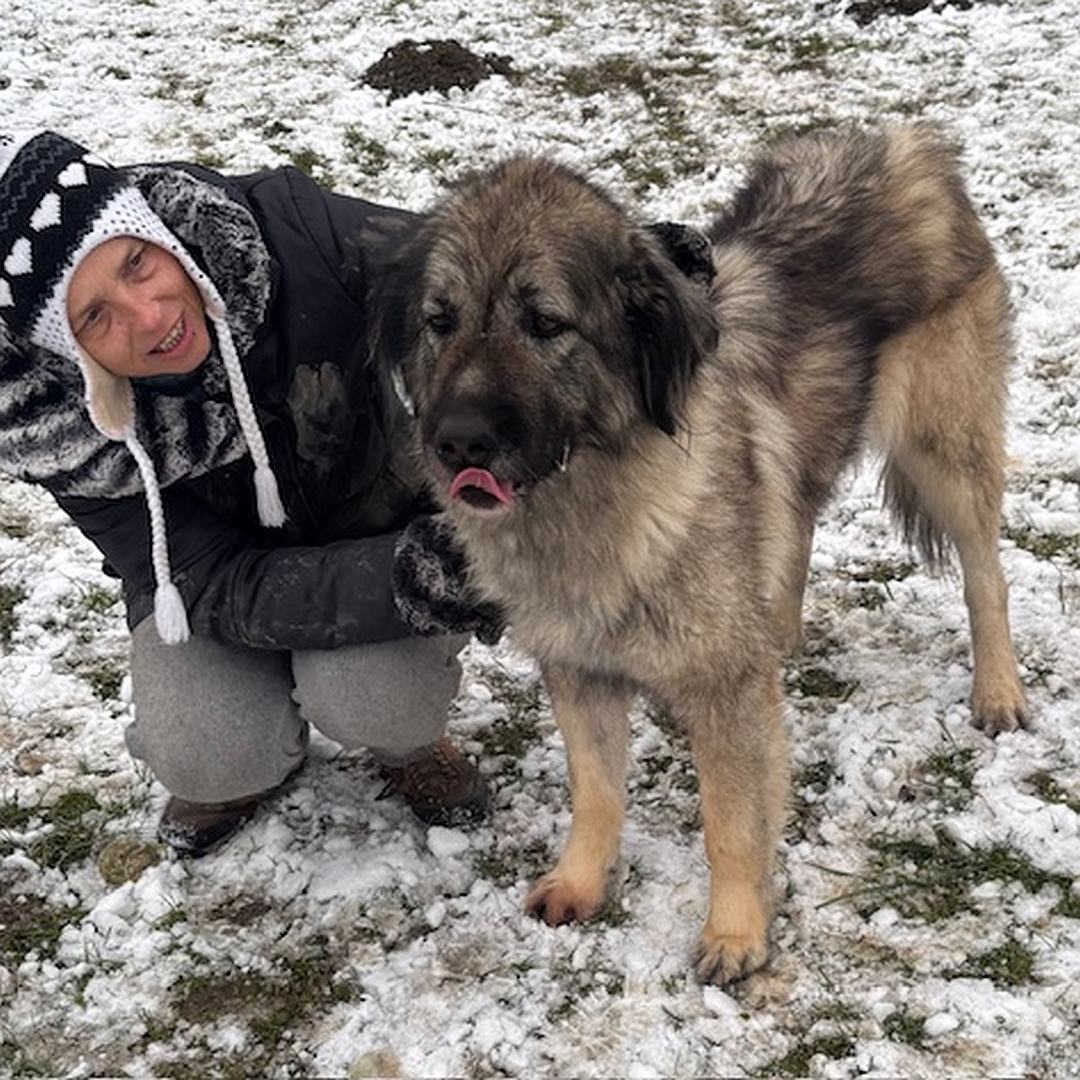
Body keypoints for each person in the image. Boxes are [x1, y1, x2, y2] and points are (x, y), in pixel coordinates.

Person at [0, 130, 506, 856]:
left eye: (137, 264)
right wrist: (405, 581)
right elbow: (205, 578)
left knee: (378, 697)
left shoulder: (292, 234)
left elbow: (469, 269)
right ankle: (248, 765)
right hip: (216, 586)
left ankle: (405, 745)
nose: (149, 317)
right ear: (68, 354)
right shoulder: (63, 428)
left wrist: (625, 272)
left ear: (153, 228)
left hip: (374, 524)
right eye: (94, 318)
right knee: (204, 747)